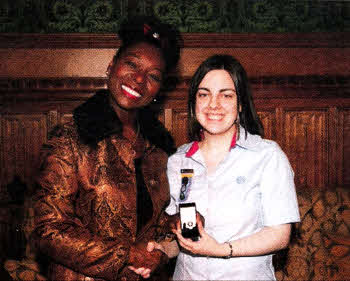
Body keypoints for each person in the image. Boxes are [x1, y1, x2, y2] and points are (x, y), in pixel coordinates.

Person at [30, 15, 181, 281]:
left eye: (153, 76)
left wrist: (170, 232)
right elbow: (48, 231)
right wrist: (126, 255)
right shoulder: (69, 139)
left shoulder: (158, 150)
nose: (138, 79)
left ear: (158, 90)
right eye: (131, 64)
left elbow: (152, 224)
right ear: (111, 66)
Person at [135, 54, 300, 280]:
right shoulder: (178, 161)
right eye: (204, 94)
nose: (214, 105)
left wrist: (221, 250)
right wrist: (162, 252)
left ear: (240, 103)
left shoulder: (268, 156)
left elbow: (280, 235)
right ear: (194, 102)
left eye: (226, 95)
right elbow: (185, 238)